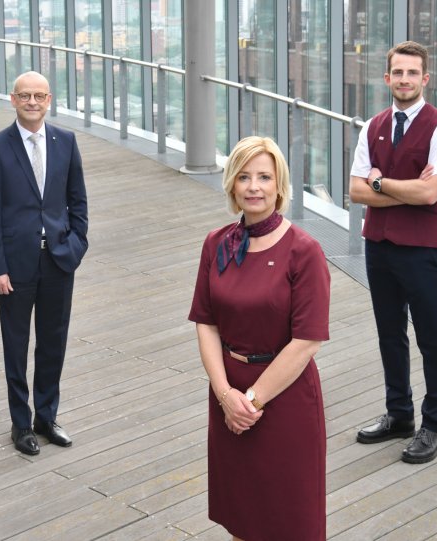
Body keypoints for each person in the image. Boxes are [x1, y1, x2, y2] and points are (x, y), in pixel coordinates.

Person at [188, 136, 330, 541]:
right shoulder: (216, 243)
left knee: (288, 520)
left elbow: (307, 342)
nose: (254, 187)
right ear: (232, 184)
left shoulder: (304, 251)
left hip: (282, 398)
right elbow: (206, 323)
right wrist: (225, 395)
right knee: (242, 516)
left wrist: (250, 402)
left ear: (279, 185)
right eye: (244, 177)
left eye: (264, 177)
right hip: (227, 394)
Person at [349, 41, 437, 464]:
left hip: (422, 251)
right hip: (378, 247)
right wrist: (408, 190)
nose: (405, 79)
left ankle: (435, 426)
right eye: (398, 72)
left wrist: (379, 183)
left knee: (433, 338)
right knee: (390, 334)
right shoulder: (372, 126)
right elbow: (356, 191)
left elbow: (430, 194)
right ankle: (399, 415)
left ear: (425, 78)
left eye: (413, 73)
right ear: (387, 77)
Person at [0, 71, 88, 456]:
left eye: (39, 96)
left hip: (58, 260)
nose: (32, 102)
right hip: (14, 266)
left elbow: (78, 200)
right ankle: (21, 424)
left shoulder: (66, 142)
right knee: (16, 346)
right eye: (25, 96)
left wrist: (76, 246)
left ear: (49, 100)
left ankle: (46, 417)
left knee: (54, 342)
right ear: (13, 99)